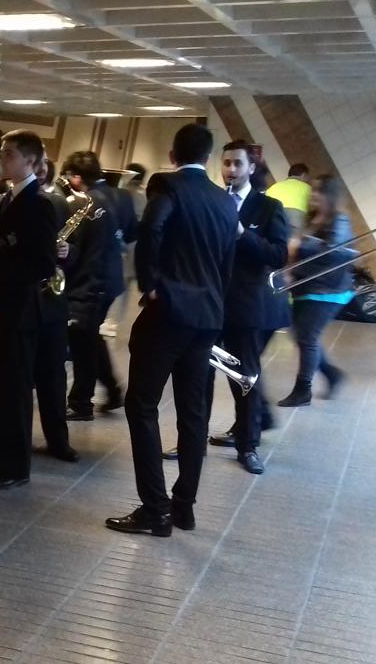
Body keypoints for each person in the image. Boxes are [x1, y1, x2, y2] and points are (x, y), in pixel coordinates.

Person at [106, 124, 237, 537]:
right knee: (193, 411)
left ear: (173, 153)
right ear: (210, 157)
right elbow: (227, 262)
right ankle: (184, 507)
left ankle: (154, 510)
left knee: (141, 405)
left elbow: (152, 231)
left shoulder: (168, 186)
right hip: (208, 316)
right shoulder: (224, 201)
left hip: (170, 313)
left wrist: (150, 285)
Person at [0, 130, 58, 491]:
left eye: (9, 155)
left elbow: (43, 265)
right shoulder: (6, 198)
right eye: (2, 154)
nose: (1, 160)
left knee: (13, 389)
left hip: (19, 310)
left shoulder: (40, 203)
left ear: (32, 162)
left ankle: (15, 464)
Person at [206, 140, 289, 475]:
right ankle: (190, 441)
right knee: (201, 376)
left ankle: (248, 445)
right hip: (210, 302)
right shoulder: (213, 202)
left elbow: (278, 255)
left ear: (252, 168)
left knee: (245, 378)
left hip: (246, 304)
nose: (231, 170)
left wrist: (242, 233)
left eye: (238, 164)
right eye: (226, 163)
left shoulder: (269, 207)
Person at [278, 176, 357, 407]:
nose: (313, 195)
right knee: (301, 334)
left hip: (328, 290)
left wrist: (301, 244)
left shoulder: (340, 220)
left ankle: (304, 389)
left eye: (319, 192)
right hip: (306, 285)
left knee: (308, 336)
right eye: (313, 191)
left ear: (330, 196)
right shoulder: (312, 218)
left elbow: (333, 251)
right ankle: (331, 374)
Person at [63, 152, 129, 419]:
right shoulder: (114, 197)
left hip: (92, 283)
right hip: (108, 280)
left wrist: (82, 291)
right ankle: (112, 390)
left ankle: (81, 403)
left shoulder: (86, 205)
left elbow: (88, 253)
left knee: (83, 343)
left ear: (77, 178)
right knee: (90, 338)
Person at [31, 158, 76, 463]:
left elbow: (79, 251)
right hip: (22, 298)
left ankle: (58, 440)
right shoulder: (8, 201)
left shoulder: (63, 204)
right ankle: (16, 441)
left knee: (54, 377)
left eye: (44, 163)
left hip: (53, 303)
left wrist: (69, 251)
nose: (41, 167)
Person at [102, 162, 146, 338]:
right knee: (124, 286)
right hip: (132, 243)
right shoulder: (137, 194)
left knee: (119, 284)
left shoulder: (129, 194)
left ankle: (110, 320)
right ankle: (113, 321)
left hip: (127, 243)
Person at [266, 163, 312, 258]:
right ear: (304, 175)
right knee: (294, 252)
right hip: (296, 224)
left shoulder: (273, 187)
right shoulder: (308, 188)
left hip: (274, 223)